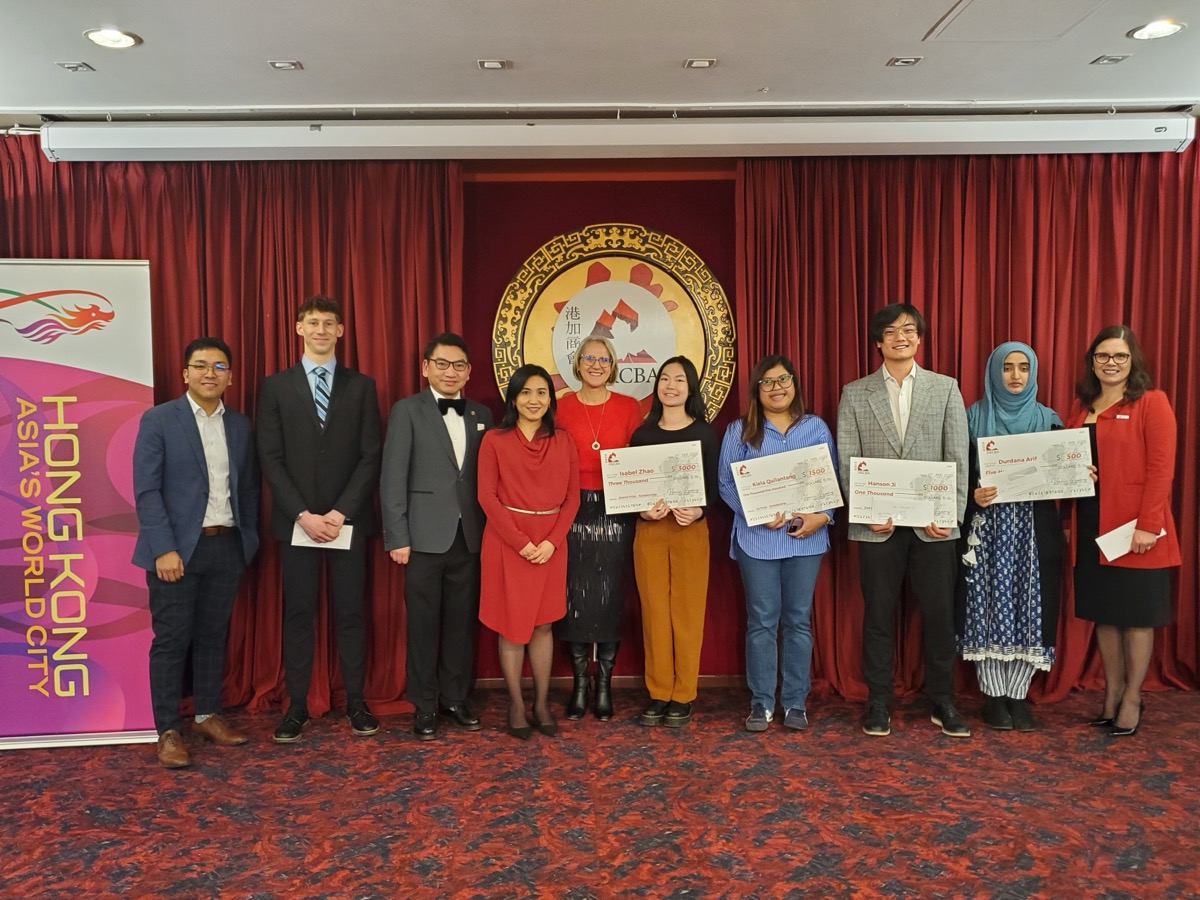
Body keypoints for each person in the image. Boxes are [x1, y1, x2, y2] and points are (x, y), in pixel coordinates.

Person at [837, 303, 971, 738]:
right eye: (891, 331)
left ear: (920, 339)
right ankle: (879, 701)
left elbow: (958, 457)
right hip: (878, 527)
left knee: (939, 614)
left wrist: (947, 514)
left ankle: (943, 700)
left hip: (934, 527)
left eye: (909, 329)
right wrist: (866, 510)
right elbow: (846, 462)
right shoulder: (855, 393)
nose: (901, 336)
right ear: (877, 342)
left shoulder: (946, 389)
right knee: (878, 614)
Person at [257, 295, 382, 742]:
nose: (322, 330)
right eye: (313, 322)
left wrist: (340, 512)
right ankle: (295, 707)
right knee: (299, 613)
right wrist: (304, 515)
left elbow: (371, 455)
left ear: (341, 331)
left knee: (351, 613)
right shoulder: (275, 386)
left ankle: (357, 702)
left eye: (330, 323)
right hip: (298, 523)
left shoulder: (362, 386)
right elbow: (270, 458)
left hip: (347, 520)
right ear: (298, 329)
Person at [132, 337, 259, 768]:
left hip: (226, 545)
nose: (210, 373)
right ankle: (167, 730)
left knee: (211, 636)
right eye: (200, 366)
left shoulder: (240, 425)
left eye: (219, 366)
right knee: (171, 641)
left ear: (230, 375)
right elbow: (147, 491)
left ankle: (207, 714)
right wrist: (163, 549)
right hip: (177, 552)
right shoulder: (159, 420)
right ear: (185, 373)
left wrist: (249, 540)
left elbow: (248, 488)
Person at [1068, 325, 1180, 737]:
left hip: (1135, 528)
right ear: (1092, 362)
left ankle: (1133, 697)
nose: (1110, 363)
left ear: (1133, 361)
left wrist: (1149, 526)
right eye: (1102, 356)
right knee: (1106, 617)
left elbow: (1161, 469)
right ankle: (1112, 694)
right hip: (1091, 522)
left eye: (1119, 356)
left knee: (1135, 617)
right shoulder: (1082, 406)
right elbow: (1068, 458)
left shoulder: (1152, 402)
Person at [380, 333, 492, 740]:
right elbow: (392, 477)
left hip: (471, 537)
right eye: (442, 364)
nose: (450, 372)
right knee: (424, 625)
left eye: (458, 365)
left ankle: (454, 699)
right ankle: (424, 705)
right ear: (425, 367)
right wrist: (397, 536)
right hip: (422, 539)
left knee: (461, 625)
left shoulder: (482, 414)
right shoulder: (407, 411)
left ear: (469, 371)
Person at [718, 355, 835, 733]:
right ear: (756, 390)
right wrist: (756, 513)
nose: (777, 387)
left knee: (798, 621)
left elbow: (831, 479)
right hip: (758, 540)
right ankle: (762, 702)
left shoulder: (815, 428)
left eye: (783, 379)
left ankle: (795, 702)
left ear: (794, 384)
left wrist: (823, 516)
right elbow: (725, 484)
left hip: (806, 540)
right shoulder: (740, 431)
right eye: (767, 382)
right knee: (762, 623)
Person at [959, 342, 1063, 731]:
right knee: (987, 606)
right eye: (1007, 368)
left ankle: (1018, 696)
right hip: (987, 530)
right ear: (993, 373)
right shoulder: (972, 418)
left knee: (1028, 606)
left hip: (1032, 533)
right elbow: (955, 470)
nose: (1016, 376)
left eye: (1023, 367)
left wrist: (1080, 473)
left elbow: (1060, 479)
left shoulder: (1050, 420)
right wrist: (972, 493)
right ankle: (992, 697)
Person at [477, 365, 581, 739]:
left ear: (550, 399)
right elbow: (486, 497)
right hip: (509, 540)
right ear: (513, 398)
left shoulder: (565, 441)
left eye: (541, 392)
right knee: (512, 625)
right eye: (526, 392)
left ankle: (540, 703)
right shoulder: (495, 440)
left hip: (552, 541)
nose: (534, 400)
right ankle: (516, 706)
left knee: (543, 624)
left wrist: (552, 541)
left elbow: (573, 498)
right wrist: (521, 542)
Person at [554, 335, 644, 720]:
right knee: (574, 595)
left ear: (613, 365)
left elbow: (642, 460)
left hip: (618, 510)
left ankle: (604, 684)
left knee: (609, 595)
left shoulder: (629, 407)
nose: (596, 364)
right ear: (577, 363)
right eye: (588, 357)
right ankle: (579, 684)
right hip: (572, 509)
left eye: (603, 358)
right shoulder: (559, 407)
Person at [630, 356, 720, 728]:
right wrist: (641, 510)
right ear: (656, 387)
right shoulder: (642, 435)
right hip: (650, 531)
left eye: (679, 379)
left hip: (689, 531)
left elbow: (714, 489)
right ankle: (658, 692)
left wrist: (699, 511)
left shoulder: (705, 433)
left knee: (686, 613)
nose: (670, 385)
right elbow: (631, 486)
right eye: (664, 378)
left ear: (690, 387)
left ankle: (683, 694)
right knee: (653, 612)